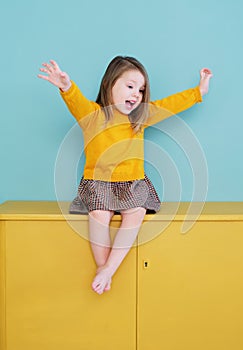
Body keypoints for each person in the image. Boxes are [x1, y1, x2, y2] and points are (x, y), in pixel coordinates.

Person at [38, 56, 213, 295]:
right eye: (130, 86)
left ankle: (109, 267)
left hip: (132, 184)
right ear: (110, 85)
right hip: (99, 184)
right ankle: (104, 268)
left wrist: (199, 91)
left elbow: (170, 105)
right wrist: (66, 85)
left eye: (141, 90)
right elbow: (76, 101)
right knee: (99, 214)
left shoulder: (139, 118)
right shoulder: (94, 116)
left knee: (137, 212)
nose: (136, 94)